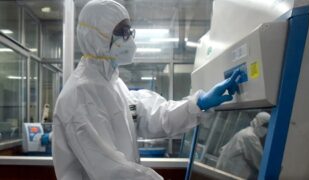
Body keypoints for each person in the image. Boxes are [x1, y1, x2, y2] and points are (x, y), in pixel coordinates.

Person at [52, 0, 241, 179]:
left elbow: (155, 116)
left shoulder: (113, 85)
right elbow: (109, 171)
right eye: (122, 32)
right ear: (97, 36)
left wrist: (198, 103)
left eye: (129, 31)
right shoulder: (81, 94)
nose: (130, 39)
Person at [216, 112, 271, 180]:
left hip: (223, 172)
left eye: (268, 126)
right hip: (231, 174)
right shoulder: (250, 136)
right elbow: (261, 162)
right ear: (258, 122)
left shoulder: (244, 132)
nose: (266, 129)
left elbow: (222, 150)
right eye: (265, 125)